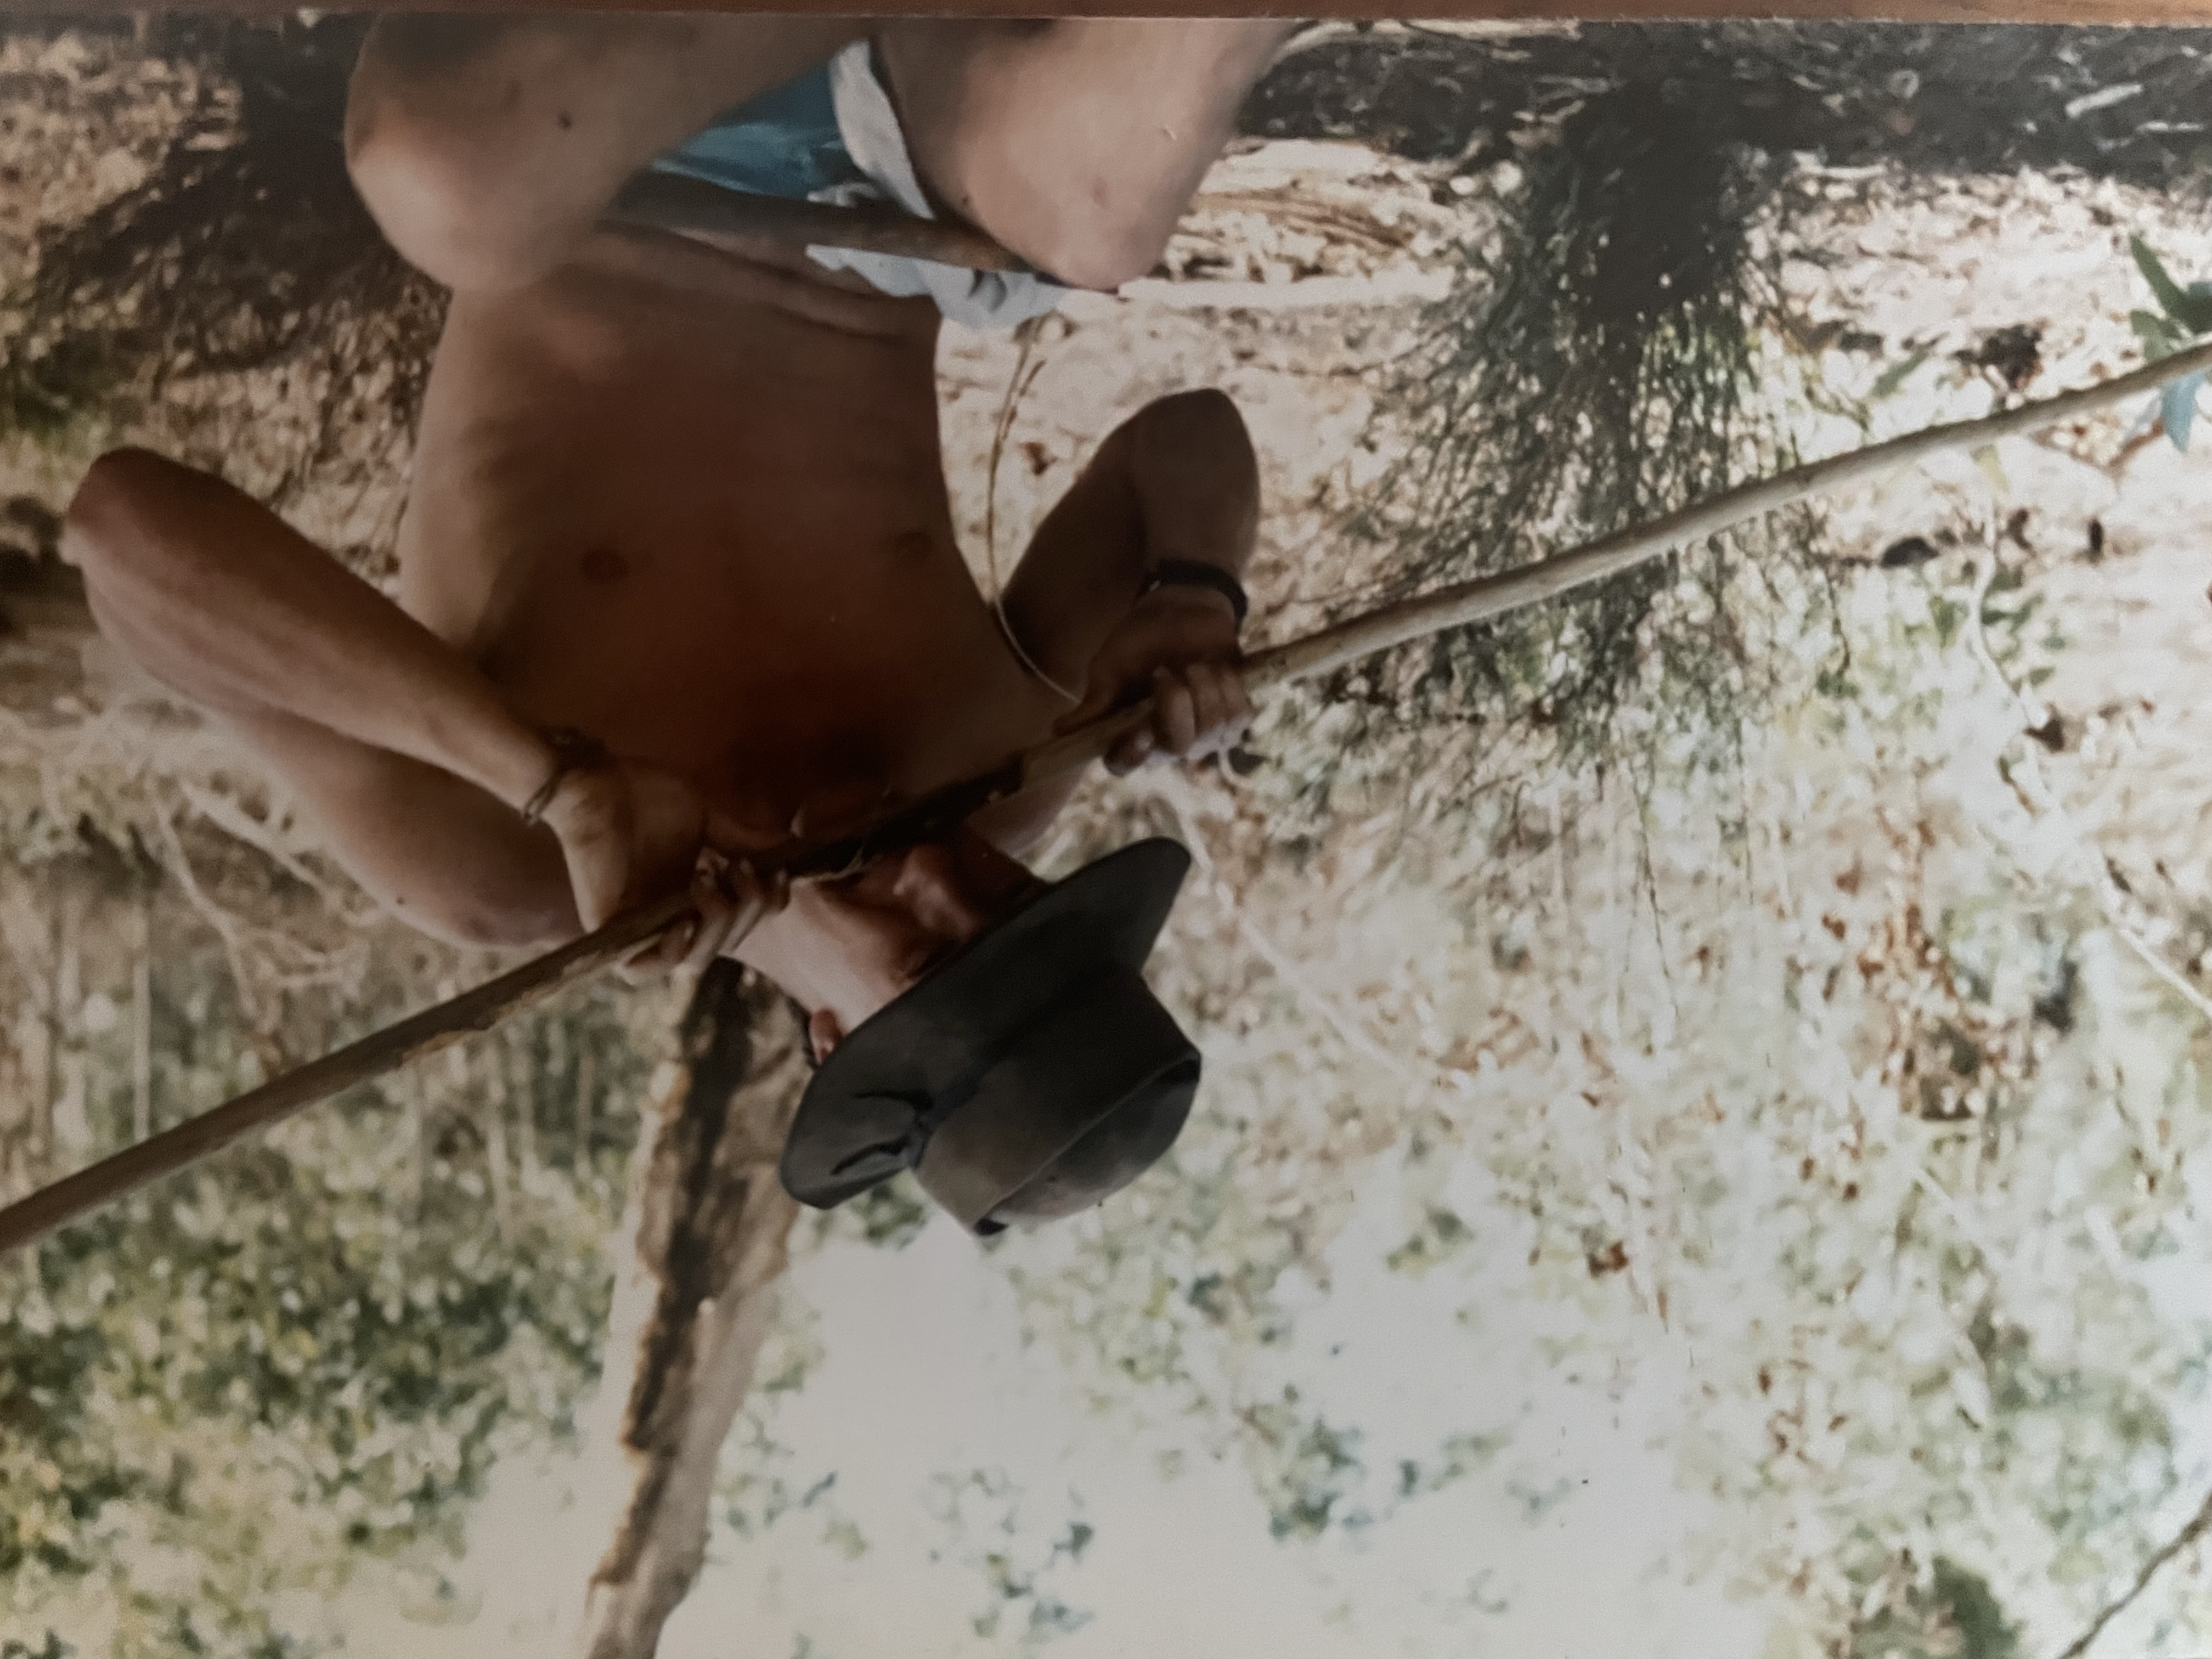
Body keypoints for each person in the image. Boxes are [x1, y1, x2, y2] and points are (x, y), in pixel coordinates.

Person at [61, 19, 1298, 1229]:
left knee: (440, 176)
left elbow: (119, 530)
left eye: (926, 956)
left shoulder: (505, 873)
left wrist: (558, 781)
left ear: (828, 1037)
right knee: (1097, 220)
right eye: (1013, 900)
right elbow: (1181, 441)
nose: (937, 872)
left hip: (603, 109)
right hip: (892, 154)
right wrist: (1195, 596)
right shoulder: (1014, 769)